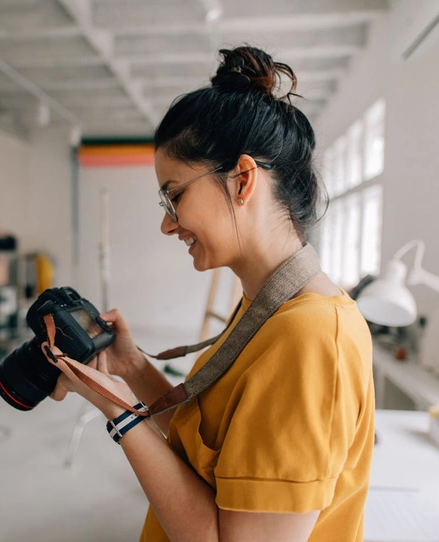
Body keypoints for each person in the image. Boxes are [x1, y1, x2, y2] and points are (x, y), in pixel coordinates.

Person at [48, 45, 375, 542]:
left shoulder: (310, 339)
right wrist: (133, 368)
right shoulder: (271, 308)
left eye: (175, 196)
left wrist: (118, 414)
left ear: (242, 180)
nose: (166, 223)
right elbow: (210, 446)